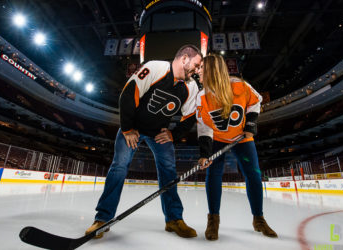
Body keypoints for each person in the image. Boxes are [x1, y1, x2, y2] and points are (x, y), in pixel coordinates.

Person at [86, 45, 203, 239]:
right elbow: (128, 94)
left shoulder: (191, 86)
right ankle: (102, 219)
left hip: (159, 133)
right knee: (119, 166)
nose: (198, 70)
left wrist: (173, 134)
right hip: (134, 128)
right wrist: (127, 129)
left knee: (169, 171)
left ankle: (174, 219)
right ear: (184, 59)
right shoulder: (156, 68)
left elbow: (190, 117)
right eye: (197, 65)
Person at [195, 54, 277, 240]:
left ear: (212, 70)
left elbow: (255, 101)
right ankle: (213, 220)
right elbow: (204, 126)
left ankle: (259, 219)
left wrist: (250, 126)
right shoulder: (201, 97)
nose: (198, 71)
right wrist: (205, 154)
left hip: (242, 139)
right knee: (213, 175)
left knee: (253, 175)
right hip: (217, 140)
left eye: (201, 68)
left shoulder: (239, 85)